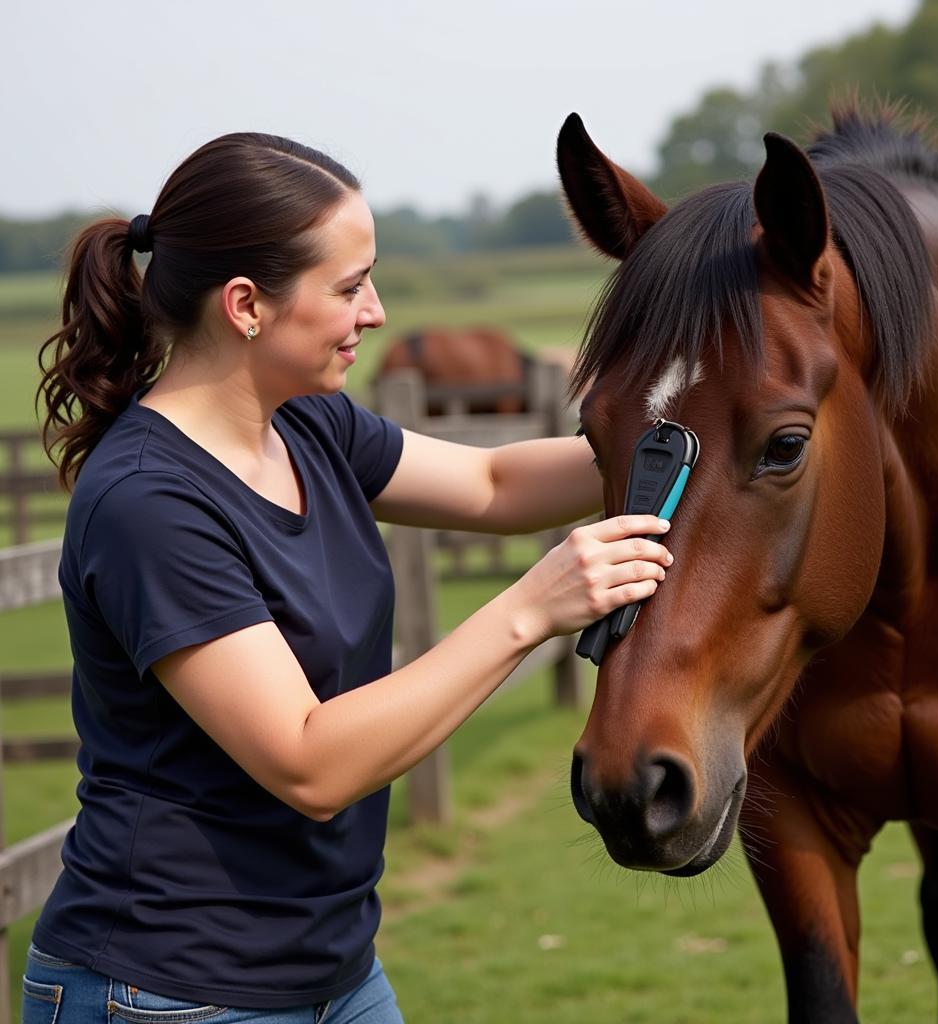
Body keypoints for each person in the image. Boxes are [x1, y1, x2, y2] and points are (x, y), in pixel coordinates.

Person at [25, 132, 673, 1024]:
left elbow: (493, 483)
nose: (375, 312)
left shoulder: (309, 426)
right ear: (247, 305)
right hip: (168, 989)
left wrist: (695, 440)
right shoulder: (150, 503)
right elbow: (307, 762)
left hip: (334, 972)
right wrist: (531, 610)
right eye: (348, 286)